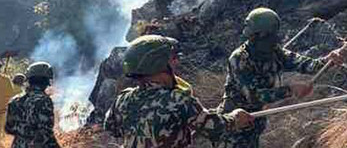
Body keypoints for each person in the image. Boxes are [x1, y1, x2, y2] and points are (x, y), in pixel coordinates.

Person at [218, 8, 345, 148]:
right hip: (233, 125)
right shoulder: (239, 59)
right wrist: (291, 90)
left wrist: (328, 60)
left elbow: (304, 64)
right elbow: (254, 96)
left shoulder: (275, 52)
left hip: (254, 122)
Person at [104, 35, 254, 148]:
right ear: (158, 64)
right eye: (172, 58)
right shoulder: (178, 99)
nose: (176, 62)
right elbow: (214, 127)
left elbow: (111, 128)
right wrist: (235, 118)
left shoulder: (122, 99)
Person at [4, 62, 58, 148]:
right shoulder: (44, 100)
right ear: (46, 81)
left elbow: (9, 129)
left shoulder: (15, 100)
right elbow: (45, 131)